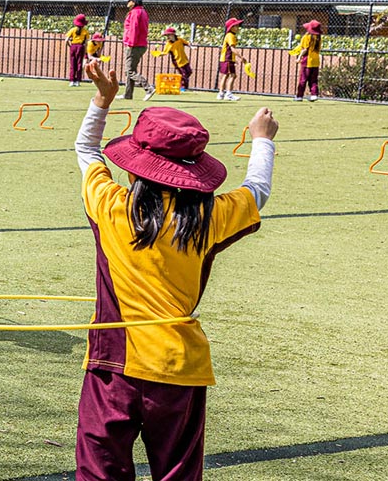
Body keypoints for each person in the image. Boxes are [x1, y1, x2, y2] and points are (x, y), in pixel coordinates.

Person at [74, 61, 277, 480]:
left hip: (114, 364)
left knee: (99, 470)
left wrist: (102, 100)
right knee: (178, 473)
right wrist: (262, 141)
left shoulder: (113, 207)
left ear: (135, 164)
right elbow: (256, 191)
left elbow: (87, 150)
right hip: (179, 366)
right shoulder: (209, 217)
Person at [147, 26, 191, 99]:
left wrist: (192, 47)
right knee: (183, 74)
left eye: (169, 35)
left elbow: (187, 43)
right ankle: (183, 87)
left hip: (184, 59)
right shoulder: (168, 44)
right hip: (177, 61)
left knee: (189, 72)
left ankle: (182, 84)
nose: (168, 37)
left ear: (173, 34)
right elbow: (165, 52)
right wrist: (158, 53)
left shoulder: (180, 40)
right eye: (167, 35)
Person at [120, 0, 151, 100]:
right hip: (141, 44)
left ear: (133, 2)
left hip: (134, 45)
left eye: (129, 1)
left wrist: (130, 44)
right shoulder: (143, 11)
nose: (127, 3)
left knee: (129, 71)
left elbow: (134, 29)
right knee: (131, 69)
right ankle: (128, 94)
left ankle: (148, 88)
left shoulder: (134, 12)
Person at [289, 20, 323, 102]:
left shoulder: (306, 37)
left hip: (307, 61)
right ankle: (314, 95)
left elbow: (304, 49)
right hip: (316, 61)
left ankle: (299, 96)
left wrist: (299, 57)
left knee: (303, 79)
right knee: (313, 80)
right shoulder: (319, 38)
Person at [216, 18, 244, 102]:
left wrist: (234, 59)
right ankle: (228, 94)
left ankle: (221, 93)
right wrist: (241, 57)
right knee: (233, 75)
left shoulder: (229, 35)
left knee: (226, 75)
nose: (238, 27)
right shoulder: (230, 36)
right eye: (236, 26)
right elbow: (232, 49)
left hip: (226, 59)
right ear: (231, 27)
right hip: (227, 59)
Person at [65, 14, 91, 86]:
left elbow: (66, 40)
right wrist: (85, 50)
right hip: (81, 47)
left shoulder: (72, 30)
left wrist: (70, 46)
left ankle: (71, 80)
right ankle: (78, 81)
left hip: (73, 46)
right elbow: (86, 42)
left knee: (72, 64)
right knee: (79, 64)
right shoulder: (85, 31)